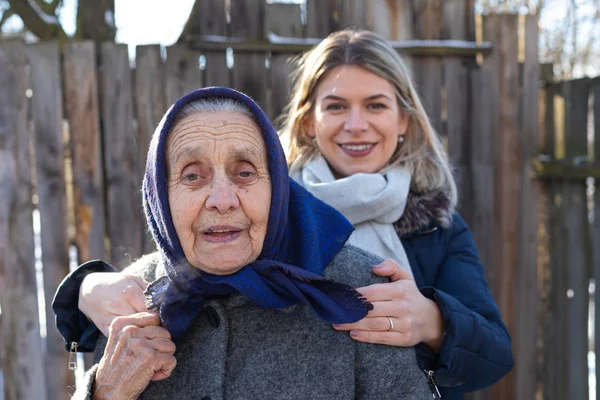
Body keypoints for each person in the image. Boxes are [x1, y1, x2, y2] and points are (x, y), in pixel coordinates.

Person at [54, 29, 513, 399]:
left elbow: (493, 353)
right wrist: (85, 288)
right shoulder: (238, 210)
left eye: (375, 105)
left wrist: (432, 320)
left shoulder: (426, 230)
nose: (223, 199)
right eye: (336, 106)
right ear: (309, 121)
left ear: (403, 121)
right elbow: (148, 278)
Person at [64, 86, 433, 399]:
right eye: (193, 176)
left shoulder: (354, 289)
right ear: (159, 195)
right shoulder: (130, 299)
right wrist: (104, 392)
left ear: (277, 189)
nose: (222, 199)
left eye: (244, 173)